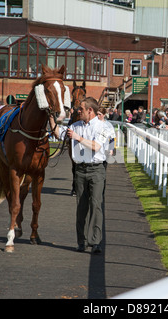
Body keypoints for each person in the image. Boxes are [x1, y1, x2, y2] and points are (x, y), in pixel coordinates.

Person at [60, 97, 108, 254]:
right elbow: (59, 134)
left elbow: (96, 146)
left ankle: (96, 241)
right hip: (80, 170)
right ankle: (82, 241)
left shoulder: (102, 127)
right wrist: (52, 120)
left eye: (81, 109)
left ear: (90, 110)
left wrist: (78, 138)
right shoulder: (75, 126)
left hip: (97, 170)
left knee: (96, 205)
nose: (77, 111)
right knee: (81, 207)